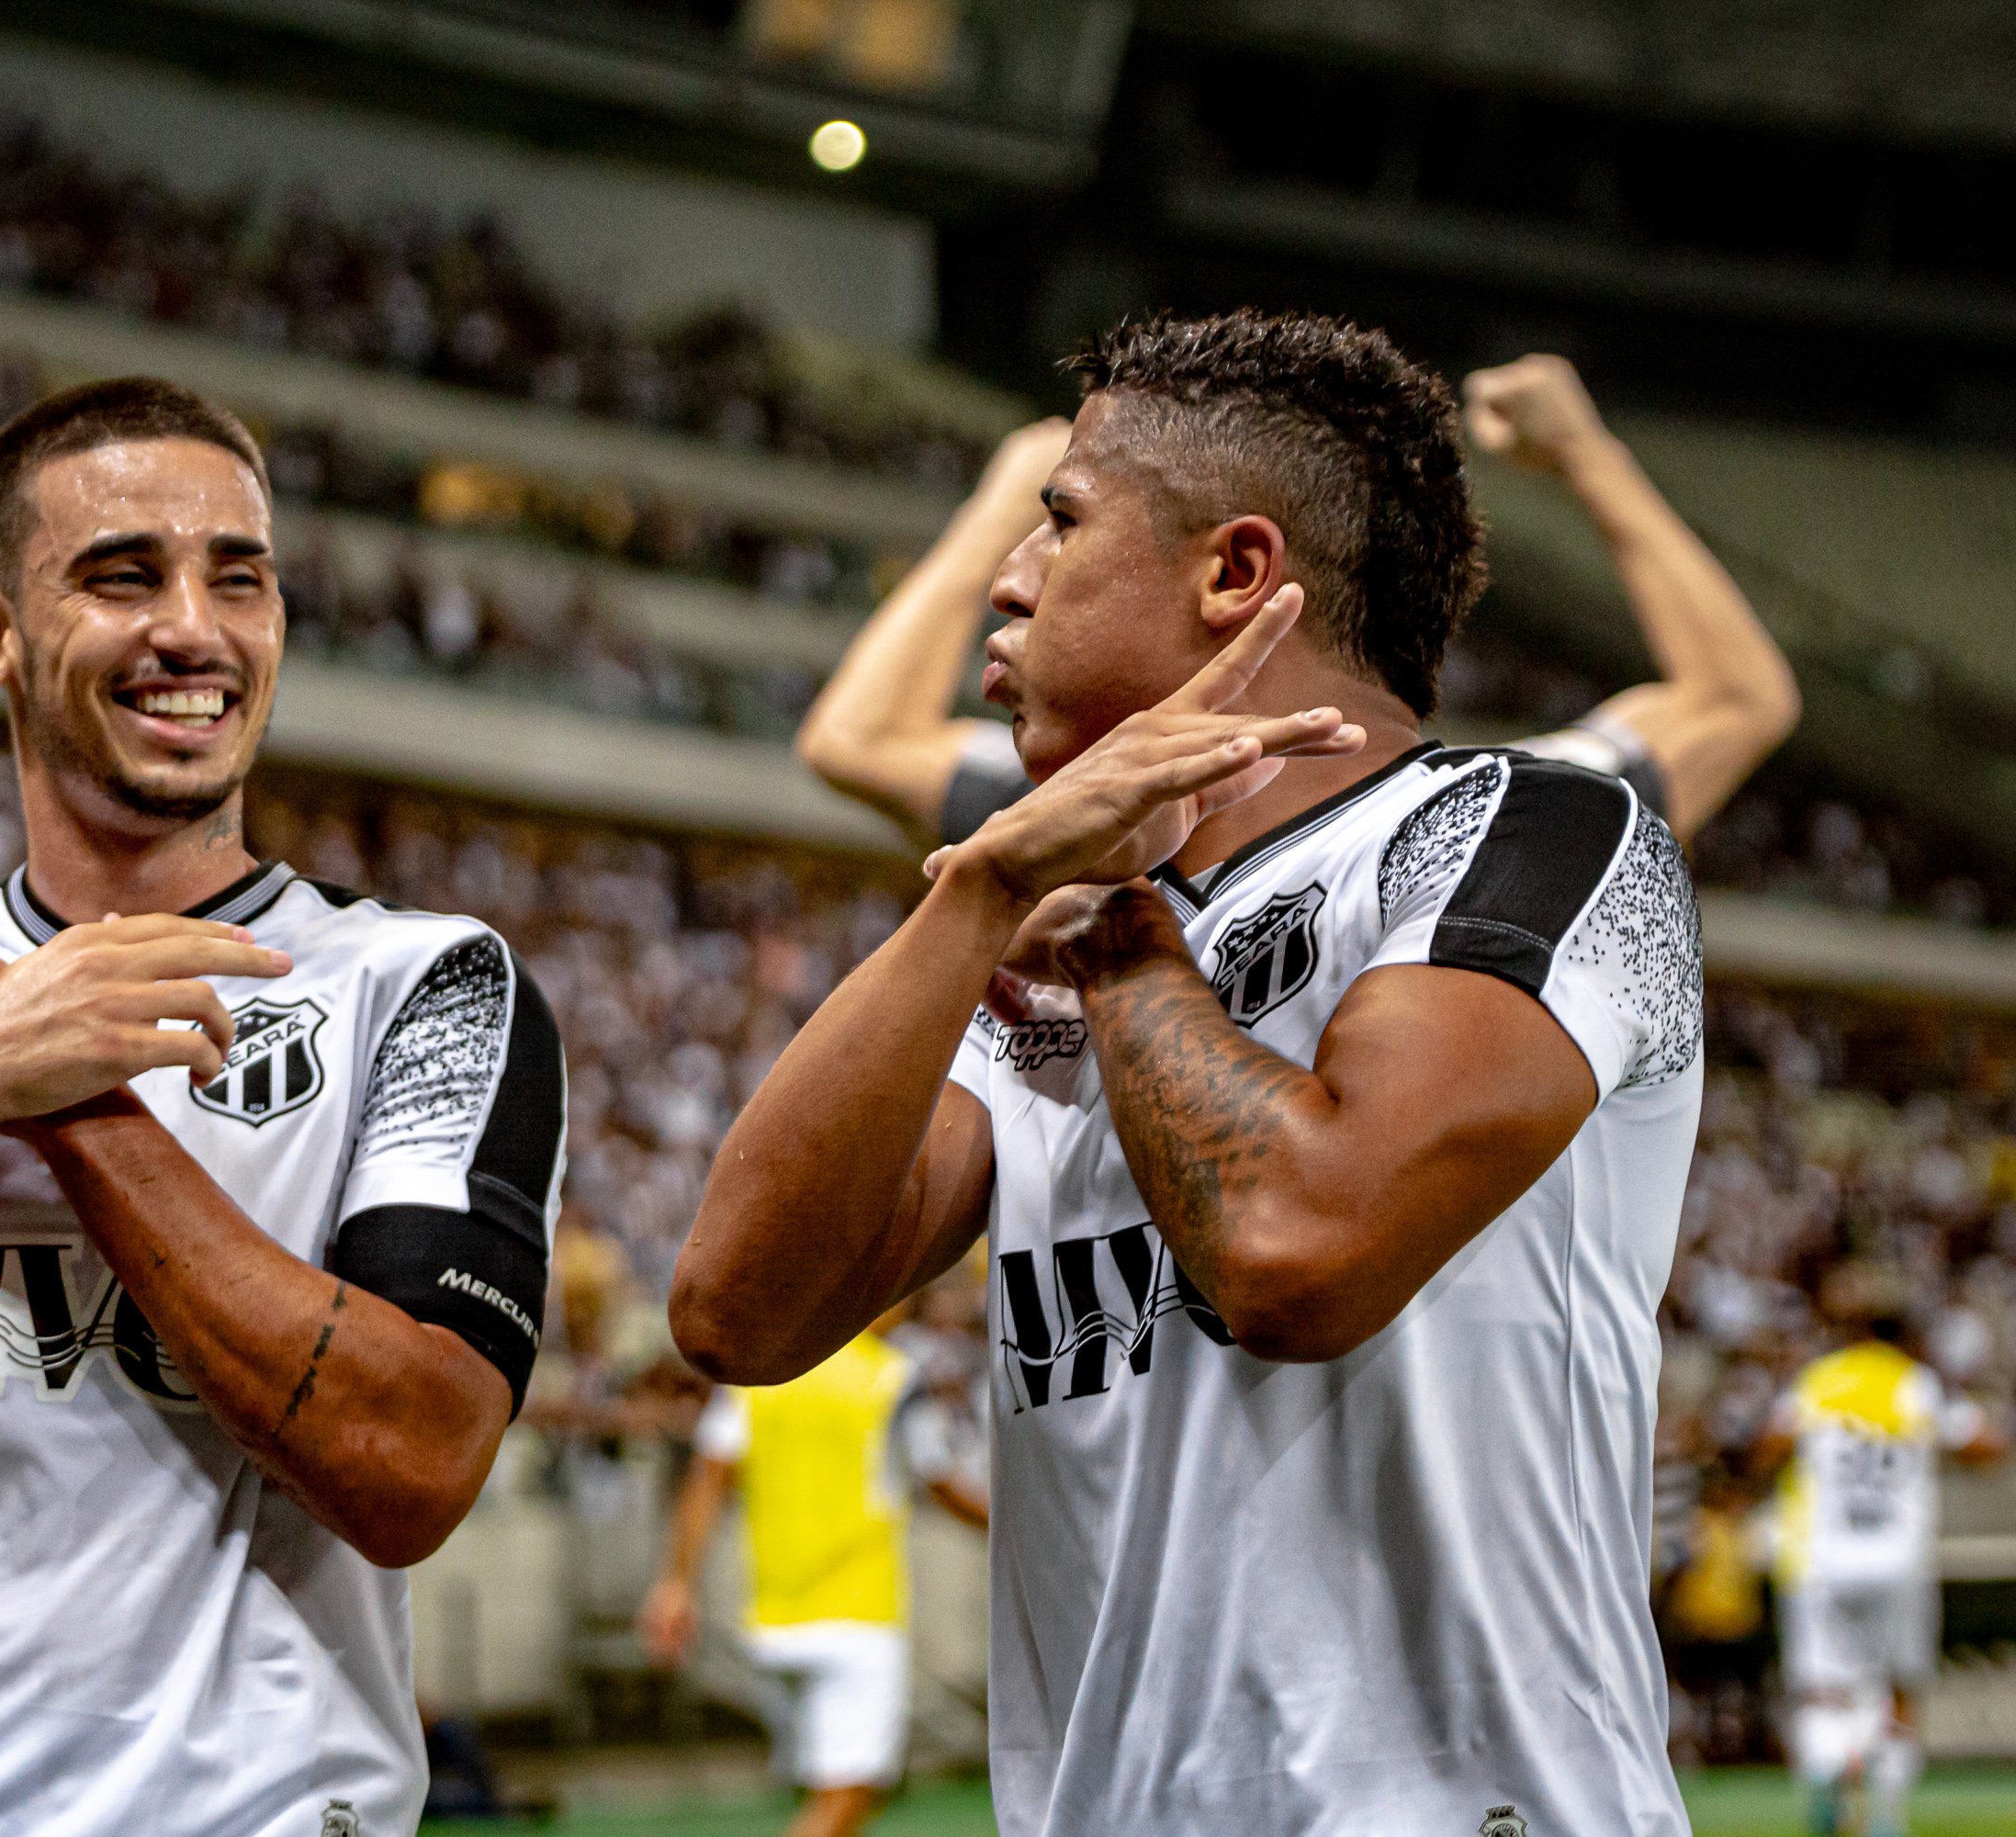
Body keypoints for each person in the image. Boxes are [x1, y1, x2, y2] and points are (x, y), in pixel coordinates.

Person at [670, 310, 1706, 1835]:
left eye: (1061, 523)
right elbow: (739, 1314)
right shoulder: (1028, 936)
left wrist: (1116, 940)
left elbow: (1296, 1254)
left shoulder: (1528, 832)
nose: (1006, 586)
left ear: (1234, 575)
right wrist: (971, 903)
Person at [0, 377, 566, 1836]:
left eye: (240, 578)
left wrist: (65, 1100)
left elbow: (410, 1468)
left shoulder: (430, 984)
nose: (194, 631)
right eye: (120, 576)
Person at [800, 352, 1796, 848]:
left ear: (1237, 573)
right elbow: (1740, 699)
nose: (1033, 576)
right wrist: (1587, 456)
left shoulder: (1106, 811)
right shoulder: (1504, 812)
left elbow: (857, 737)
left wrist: (1002, 503)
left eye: (1068, 534)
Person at [636, 1305, 987, 1837]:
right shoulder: (894, 1377)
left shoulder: (760, 1376)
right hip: (859, 1618)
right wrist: (1016, 1524)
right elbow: (942, 1479)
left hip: (772, 1624)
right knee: (847, 1799)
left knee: (834, 1794)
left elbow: (707, 1480)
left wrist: (676, 1584)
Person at [1751, 1281, 2001, 1837]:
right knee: (1899, 1684)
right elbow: (1986, 1444)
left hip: (1821, 1560)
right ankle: (1886, 1815)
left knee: (1824, 1686)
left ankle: (1828, 1787)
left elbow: (1767, 1443)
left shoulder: (1819, 1381)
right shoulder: (1916, 1385)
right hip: (1900, 1559)